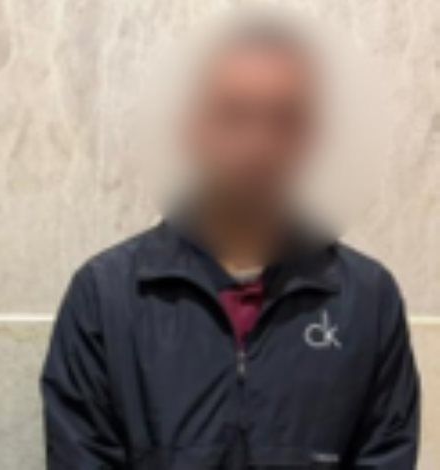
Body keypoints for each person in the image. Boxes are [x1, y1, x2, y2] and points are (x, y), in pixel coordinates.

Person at [41, 15, 419, 469]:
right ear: (192, 129)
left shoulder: (367, 301)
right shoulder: (107, 296)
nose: (258, 144)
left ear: (311, 137)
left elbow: (386, 454)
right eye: (233, 115)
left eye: (283, 119)